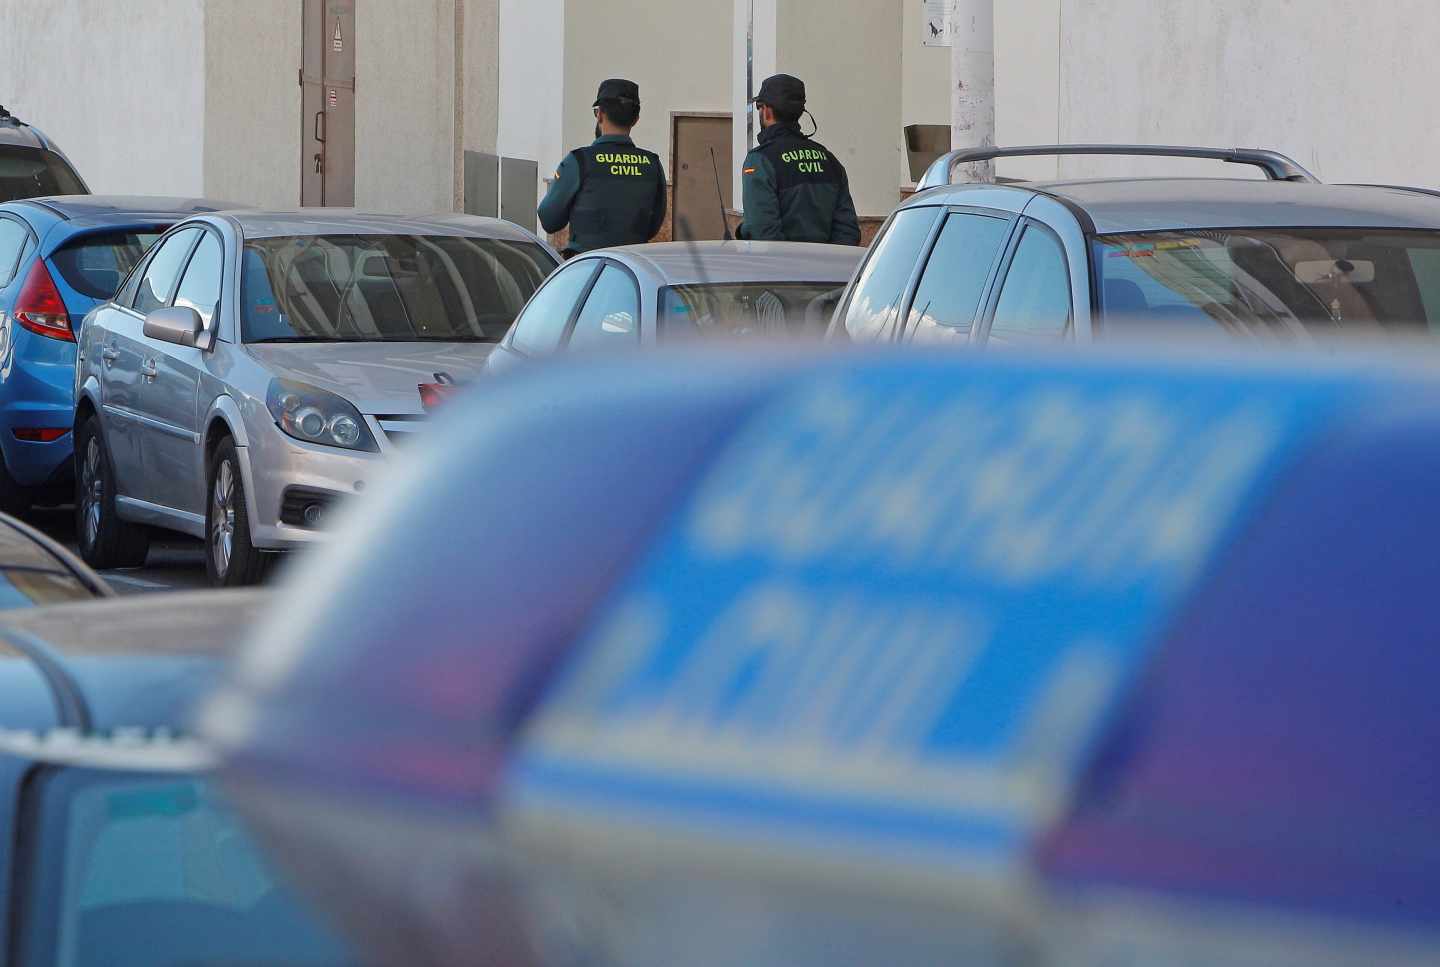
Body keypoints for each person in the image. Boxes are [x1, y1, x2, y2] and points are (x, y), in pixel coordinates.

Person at [538, 79, 667, 257]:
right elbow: (653, 227)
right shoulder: (652, 164)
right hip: (633, 271)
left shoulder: (579, 161)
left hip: (587, 270)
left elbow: (549, 220)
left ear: (599, 114)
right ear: (636, 120)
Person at [738, 74, 860, 246]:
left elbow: (761, 232)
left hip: (781, 270)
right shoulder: (829, 160)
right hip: (829, 270)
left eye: (759, 107)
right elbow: (848, 231)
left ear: (766, 110)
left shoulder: (760, 160)